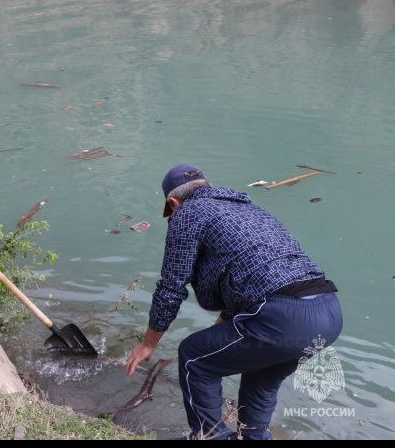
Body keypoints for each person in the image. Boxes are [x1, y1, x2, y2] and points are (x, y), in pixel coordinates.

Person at [126, 164, 342, 440]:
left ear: (173, 201)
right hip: (328, 312)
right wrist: (223, 325)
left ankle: (210, 436)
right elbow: (252, 277)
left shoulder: (188, 213)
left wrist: (148, 344)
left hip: (283, 315)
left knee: (194, 357)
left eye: (172, 211)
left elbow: (171, 286)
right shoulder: (249, 211)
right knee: (261, 379)